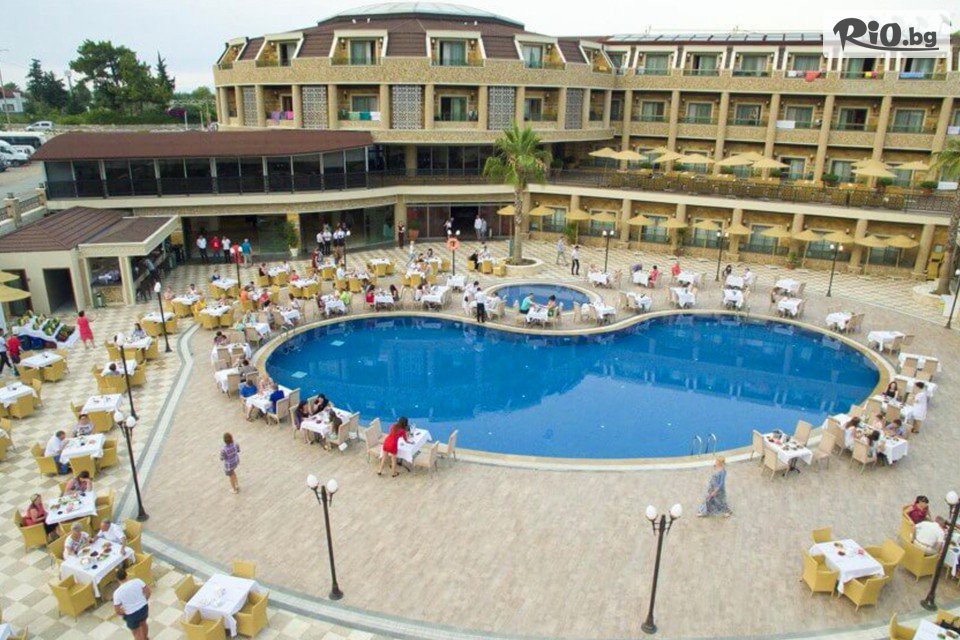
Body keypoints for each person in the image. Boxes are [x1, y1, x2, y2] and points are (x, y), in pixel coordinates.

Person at [113, 567, 151, 640]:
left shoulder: (117, 593)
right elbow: (148, 592)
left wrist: (125, 613)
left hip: (131, 614)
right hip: (144, 608)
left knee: (136, 632)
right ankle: (146, 638)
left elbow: (117, 610)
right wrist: (144, 601)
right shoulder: (137, 581)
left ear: (117, 579)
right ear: (127, 575)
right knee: (143, 623)